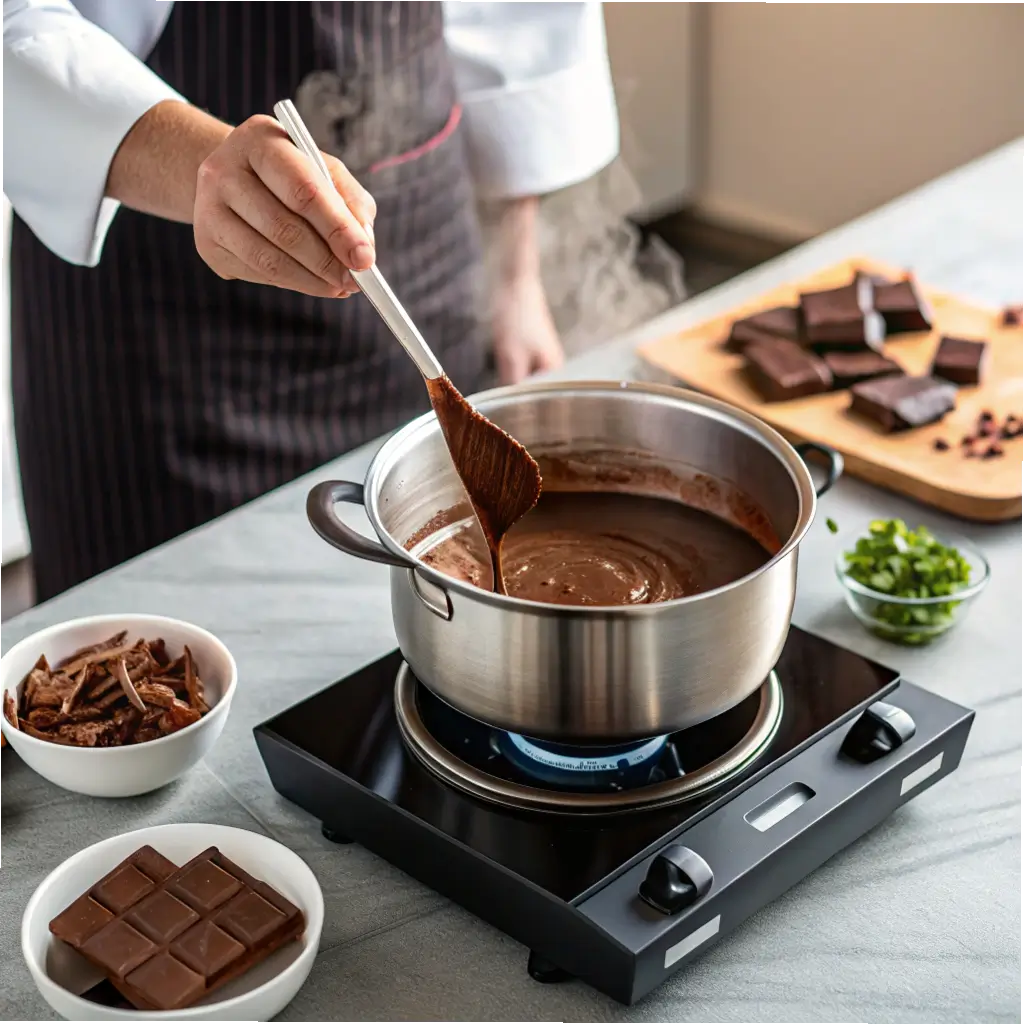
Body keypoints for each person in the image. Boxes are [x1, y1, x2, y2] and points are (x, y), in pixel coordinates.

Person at [0, 0, 619, 602]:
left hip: (423, 230)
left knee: (413, 605)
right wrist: (200, 167)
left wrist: (515, 275)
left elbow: (521, 19)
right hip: (147, 277)